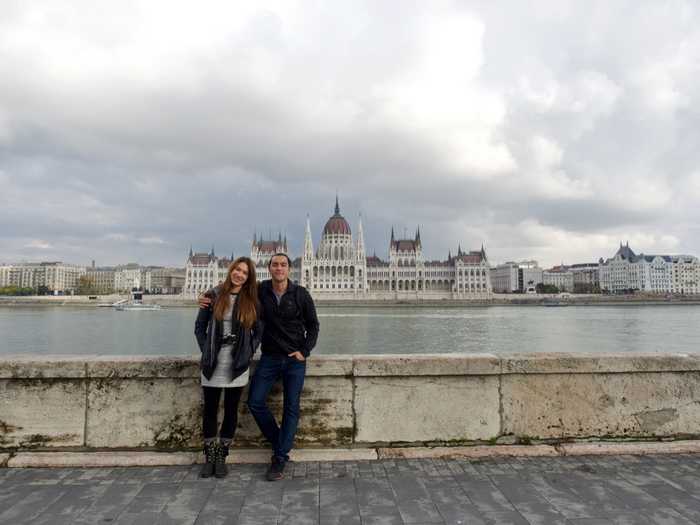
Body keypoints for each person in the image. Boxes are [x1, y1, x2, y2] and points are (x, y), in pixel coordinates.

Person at [199, 252, 319, 481]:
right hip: (266, 358)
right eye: (275, 265)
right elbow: (228, 293)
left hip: (291, 361)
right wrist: (203, 298)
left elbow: (313, 326)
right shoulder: (259, 290)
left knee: (290, 408)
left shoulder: (301, 294)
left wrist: (304, 351)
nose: (279, 268)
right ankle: (216, 458)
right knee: (246, 403)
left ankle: (279, 457)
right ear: (269, 268)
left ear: (289, 269)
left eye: (283, 265)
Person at [194, 257, 262, 478]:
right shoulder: (213, 295)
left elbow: (259, 331)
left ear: (249, 277)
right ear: (230, 271)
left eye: (244, 272)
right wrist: (207, 351)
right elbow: (199, 327)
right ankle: (209, 458)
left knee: (231, 410)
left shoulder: (251, 299)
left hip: (237, 363)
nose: (239, 274)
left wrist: (248, 352)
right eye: (237, 270)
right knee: (210, 410)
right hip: (213, 362)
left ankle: (222, 456)